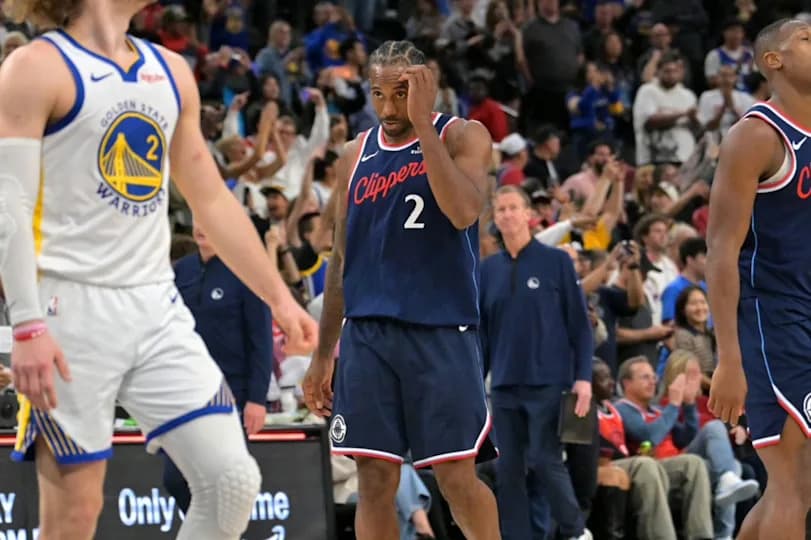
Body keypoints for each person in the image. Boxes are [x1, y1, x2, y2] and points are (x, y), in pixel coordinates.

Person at [0, 2, 317, 540]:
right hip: (70, 308)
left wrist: (281, 300)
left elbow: (213, 200)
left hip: (155, 304)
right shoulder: (35, 68)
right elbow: (9, 203)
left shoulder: (169, 71)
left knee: (230, 481)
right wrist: (27, 322)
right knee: (74, 519)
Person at [302, 40, 500, 540]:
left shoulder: (464, 136)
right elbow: (341, 261)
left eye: (402, 94)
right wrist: (324, 353)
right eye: (379, 95)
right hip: (368, 335)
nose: (390, 109)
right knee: (373, 480)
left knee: (456, 477)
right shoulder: (355, 154)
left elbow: (462, 212)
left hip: (439, 332)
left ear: (424, 87)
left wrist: (425, 126)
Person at [706, 18, 811, 540]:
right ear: (775, 60)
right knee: (796, 482)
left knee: (792, 489)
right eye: (808, 40)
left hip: (806, 311)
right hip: (773, 320)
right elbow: (720, 251)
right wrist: (728, 359)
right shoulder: (756, 136)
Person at [479, 185, 593, 540]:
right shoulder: (487, 271)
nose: (508, 214)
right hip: (504, 384)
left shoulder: (556, 261)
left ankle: (576, 532)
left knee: (545, 460)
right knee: (508, 468)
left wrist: (583, 378)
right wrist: (473, 384)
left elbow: (580, 324)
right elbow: (482, 334)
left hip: (549, 380)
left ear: (528, 214)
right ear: (495, 219)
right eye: (501, 209)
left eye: (514, 207)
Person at [162, 221, 274, 513]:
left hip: (232, 393)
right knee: (175, 478)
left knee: (223, 479)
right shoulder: (181, 271)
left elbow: (260, 340)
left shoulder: (243, 270)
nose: (202, 226)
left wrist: (256, 399)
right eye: (197, 219)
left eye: (207, 219)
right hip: (186, 391)